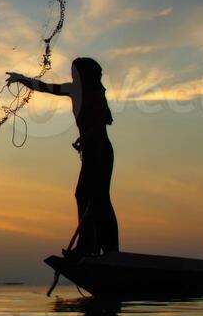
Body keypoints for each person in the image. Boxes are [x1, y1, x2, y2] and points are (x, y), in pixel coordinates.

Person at [6, 58, 119, 257]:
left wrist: (85, 138)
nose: (73, 75)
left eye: (75, 72)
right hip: (92, 150)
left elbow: (101, 124)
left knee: (95, 197)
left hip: (100, 150)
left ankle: (103, 248)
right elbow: (46, 87)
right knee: (90, 196)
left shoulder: (95, 94)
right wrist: (21, 79)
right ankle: (92, 245)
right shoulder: (74, 90)